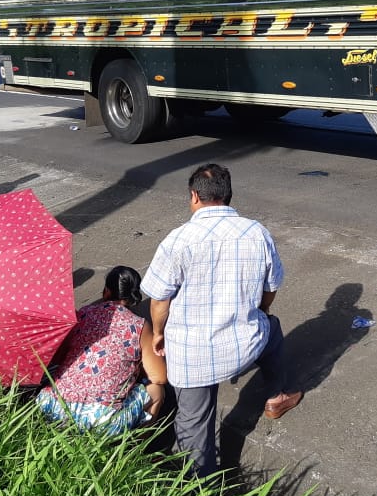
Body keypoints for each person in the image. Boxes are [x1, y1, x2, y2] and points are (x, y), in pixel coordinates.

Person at [142, 163, 302, 477]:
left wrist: (159, 333)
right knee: (273, 330)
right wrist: (262, 312)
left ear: (194, 197)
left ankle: (198, 492)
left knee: (194, 422)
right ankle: (276, 396)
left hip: (194, 357)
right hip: (245, 344)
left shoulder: (179, 240)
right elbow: (270, 288)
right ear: (228, 196)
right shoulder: (256, 232)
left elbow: (159, 300)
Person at [36, 266, 168, 435]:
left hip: (52, 406)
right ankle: (135, 450)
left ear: (106, 292)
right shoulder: (139, 325)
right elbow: (159, 377)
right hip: (99, 419)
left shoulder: (82, 314)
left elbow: (60, 357)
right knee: (156, 390)